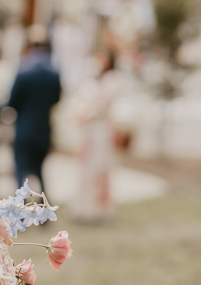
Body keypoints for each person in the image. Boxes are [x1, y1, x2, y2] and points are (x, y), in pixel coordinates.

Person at [8, 25, 62, 195]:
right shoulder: (54, 72)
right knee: (39, 170)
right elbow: (57, 99)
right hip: (44, 130)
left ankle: (20, 208)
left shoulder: (24, 70)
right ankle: (45, 207)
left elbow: (12, 102)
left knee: (21, 170)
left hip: (24, 129)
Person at [70, 49, 121, 221]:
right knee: (87, 167)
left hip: (100, 130)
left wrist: (86, 114)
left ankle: (96, 208)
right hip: (91, 130)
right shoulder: (96, 80)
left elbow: (101, 104)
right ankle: (84, 207)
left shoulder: (112, 79)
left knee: (97, 167)